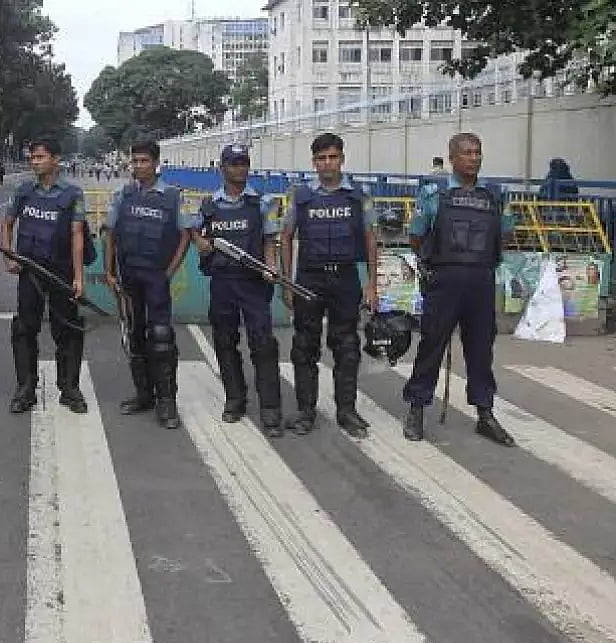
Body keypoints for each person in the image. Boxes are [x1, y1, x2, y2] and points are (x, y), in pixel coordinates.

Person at [401, 132, 515, 445]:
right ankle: (417, 408)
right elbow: (416, 235)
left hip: (481, 281)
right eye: (466, 153)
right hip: (445, 280)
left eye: (477, 152)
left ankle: (485, 413)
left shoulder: (495, 195)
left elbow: (505, 234)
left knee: (481, 350)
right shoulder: (433, 194)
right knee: (432, 345)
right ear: (452, 158)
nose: (473, 158)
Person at [279, 133, 377, 438]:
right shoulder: (300, 196)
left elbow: (371, 238)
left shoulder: (359, 196)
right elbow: (285, 237)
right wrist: (287, 283)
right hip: (310, 279)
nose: (327, 163)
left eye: (332, 157)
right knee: (304, 347)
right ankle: (305, 412)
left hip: (345, 279)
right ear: (314, 162)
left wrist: (372, 284)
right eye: (321, 158)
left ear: (342, 159)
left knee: (347, 347)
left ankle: (346, 411)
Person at [190, 143, 284, 437]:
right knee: (224, 341)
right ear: (222, 168)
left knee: (263, 344)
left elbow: (270, 239)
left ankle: (270, 409)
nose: (239, 168)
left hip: (254, 283)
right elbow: (192, 229)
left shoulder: (262, 203)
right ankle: (235, 399)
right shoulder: (210, 204)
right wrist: (202, 243)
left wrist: (271, 266)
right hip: (223, 282)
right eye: (233, 163)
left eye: (243, 163)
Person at [0, 137, 88, 414]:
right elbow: (7, 224)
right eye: (32, 157)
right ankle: (26, 388)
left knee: (68, 329)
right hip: (30, 270)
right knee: (24, 328)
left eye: (40, 157)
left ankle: (69, 389)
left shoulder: (73, 194)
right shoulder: (24, 191)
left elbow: (77, 235)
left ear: (55, 159)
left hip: (61, 270)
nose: (34, 162)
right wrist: (8, 256)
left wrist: (79, 277)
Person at [105, 139, 189, 429]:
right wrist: (109, 272)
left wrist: (170, 272)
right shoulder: (122, 195)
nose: (139, 166)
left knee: (161, 337)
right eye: (135, 161)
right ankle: (144, 395)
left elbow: (185, 236)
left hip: (156, 278)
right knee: (134, 334)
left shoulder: (173, 196)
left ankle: (166, 402)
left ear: (156, 164)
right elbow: (110, 234)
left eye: (144, 161)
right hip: (129, 276)